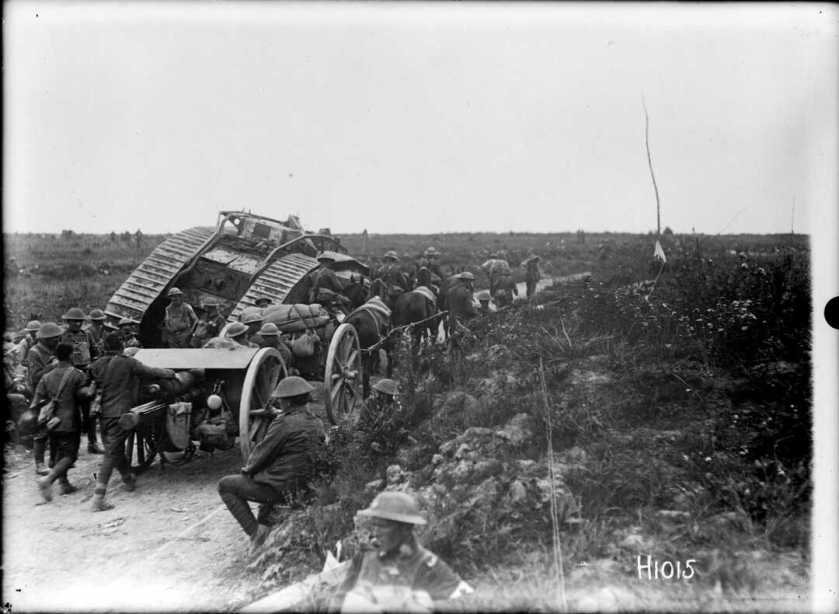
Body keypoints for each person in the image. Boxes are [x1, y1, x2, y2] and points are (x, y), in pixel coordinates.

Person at [217, 376, 325, 551]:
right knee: (268, 480)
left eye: (281, 400)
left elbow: (262, 454)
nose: (280, 403)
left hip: (283, 489)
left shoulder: (284, 423)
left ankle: (257, 538)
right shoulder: (317, 422)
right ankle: (265, 529)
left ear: (288, 403)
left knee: (226, 485)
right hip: (305, 487)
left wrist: (247, 471)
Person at [331, 491, 473, 612]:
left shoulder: (427, 565)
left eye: (383, 527)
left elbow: (467, 601)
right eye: (374, 525)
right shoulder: (364, 557)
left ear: (405, 528)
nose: (375, 533)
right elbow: (340, 599)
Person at [88, 333, 177, 511]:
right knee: (111, 453)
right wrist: (169, 372)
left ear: (104, 347)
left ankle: (128, 478)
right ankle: (98, 498)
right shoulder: (127, 362)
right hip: (120, 413)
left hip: (103, 413)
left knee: (115, 448)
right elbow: (151, 372)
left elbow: (89, 385)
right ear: (121, 346)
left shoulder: (96, 365)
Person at [32, 343, 87, 501]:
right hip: (69, 421)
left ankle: (64, 483)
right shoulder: (78, 375)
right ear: (70, 356)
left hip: (51, 421)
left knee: (57, 453)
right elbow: (84, 398)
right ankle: (48, 480)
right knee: (70, 455)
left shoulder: (46, 376)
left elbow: (38, 400)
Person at [60, 307, 103, 454]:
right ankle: (71, 446)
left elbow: (95, 352)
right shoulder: (62, 337)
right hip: (70, 375)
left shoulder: (87, 335)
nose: (77, 324)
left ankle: (93, 443)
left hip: (86, 375)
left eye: (79, 321)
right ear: (68, 322)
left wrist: (94, 365)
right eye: (74, 321)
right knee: (71, 412)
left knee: (89, 411)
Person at [27, 322, 63, 476]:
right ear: (45, 339)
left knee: (56, 427)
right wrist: (53, 366)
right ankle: (39, 463)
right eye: (54, 338)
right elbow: (34, 377)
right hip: (41, 394)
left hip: (55, 392)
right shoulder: (34, 352)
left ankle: (53, 461)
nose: (57, 341)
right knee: (41, 429)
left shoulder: (53, 349)